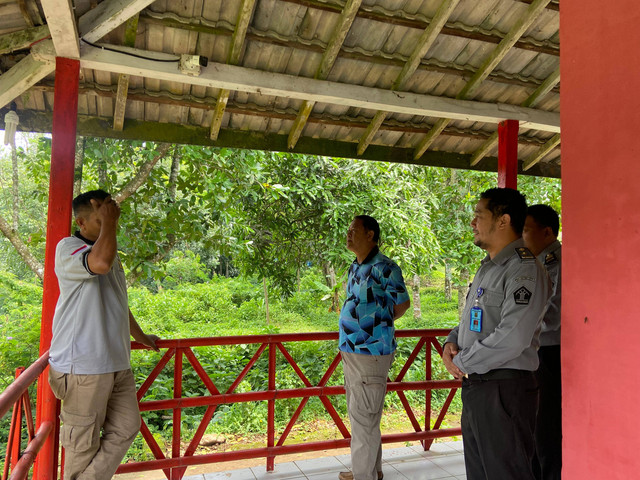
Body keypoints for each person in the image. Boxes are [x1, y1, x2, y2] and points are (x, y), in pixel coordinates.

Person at [48, 189, 159, 480]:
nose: (110, 223)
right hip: (82, 366)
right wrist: (109, 225)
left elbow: (119, 302)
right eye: (101, 219)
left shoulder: (108, 250)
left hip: (116, 363)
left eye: (112, 218)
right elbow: (98, 264)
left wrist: (141, 336)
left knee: (127, 426)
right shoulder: (68, 247)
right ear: (81, 223)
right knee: (81, 446)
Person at [442, 188, 550, 480]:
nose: (472, 223)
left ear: (503, 220)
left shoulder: (524, 268)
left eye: (479, 215)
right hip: (479, 387)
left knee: (506, 473)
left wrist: (462, 362)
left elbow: (513, 337)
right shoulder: (488, 268)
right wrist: (452, 341)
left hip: (505, 390)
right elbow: (472, 320)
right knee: (480, 472)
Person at [337, 215, 410, 480]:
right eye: (348, 229)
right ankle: (369, 470)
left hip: (371, 352)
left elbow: (402, 304)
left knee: (364, 418)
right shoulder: (355, 266)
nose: (348, 234)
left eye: (354, 230)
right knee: (362, 416)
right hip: (352, 351)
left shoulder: (386, 267)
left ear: (370, 235)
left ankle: (363, 475)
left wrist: (374, 328)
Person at [523, 204, 562, 480]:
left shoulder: (556, 262)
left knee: (545, 428)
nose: (521, 237)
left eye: (525, 230)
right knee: (535, 425)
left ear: (547, 232)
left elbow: (554, 313)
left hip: (550, 351)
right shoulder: (536, 262)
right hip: (537, 351)